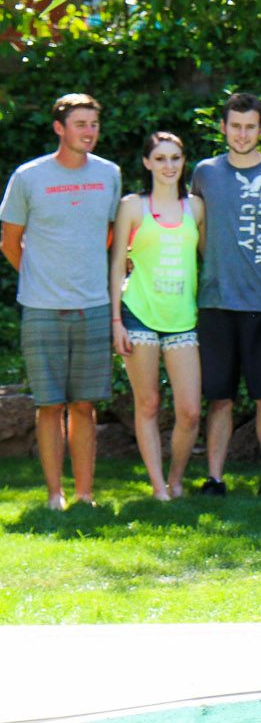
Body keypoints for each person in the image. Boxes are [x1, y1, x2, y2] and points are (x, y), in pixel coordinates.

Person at [2, 95, 121, 509]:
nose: (89, 132)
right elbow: (10, 241)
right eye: (80, 124)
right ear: (59, 128)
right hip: (42, 307)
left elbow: (109, 235)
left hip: (93, 305)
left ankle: (85, 495)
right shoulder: (28, 177)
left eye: (93, 124)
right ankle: (55, 495)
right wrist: (40, 277)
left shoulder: (109, 174)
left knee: (84, 405)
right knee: (49, 405)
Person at [190, 92, 261, 497]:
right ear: (223, 128)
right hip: (215, 302)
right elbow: (193, 230)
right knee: (219, 397)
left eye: (250, 126)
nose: (242, 134)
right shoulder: (205, 173)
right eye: (235, 126)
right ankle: (214, 479)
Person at [108, 132, 203, 502]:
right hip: (138, 316)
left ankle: (176, 478)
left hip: (183, 319)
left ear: (183, 162)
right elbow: (117, 264)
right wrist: (116, 320)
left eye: (175, 158)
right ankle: (159, 486)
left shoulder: (196, 208)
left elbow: (206, 259)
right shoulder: (132, 206)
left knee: (190, 411)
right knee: (147, 404)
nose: (169, 166)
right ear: (147, 163)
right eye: (160, 158)